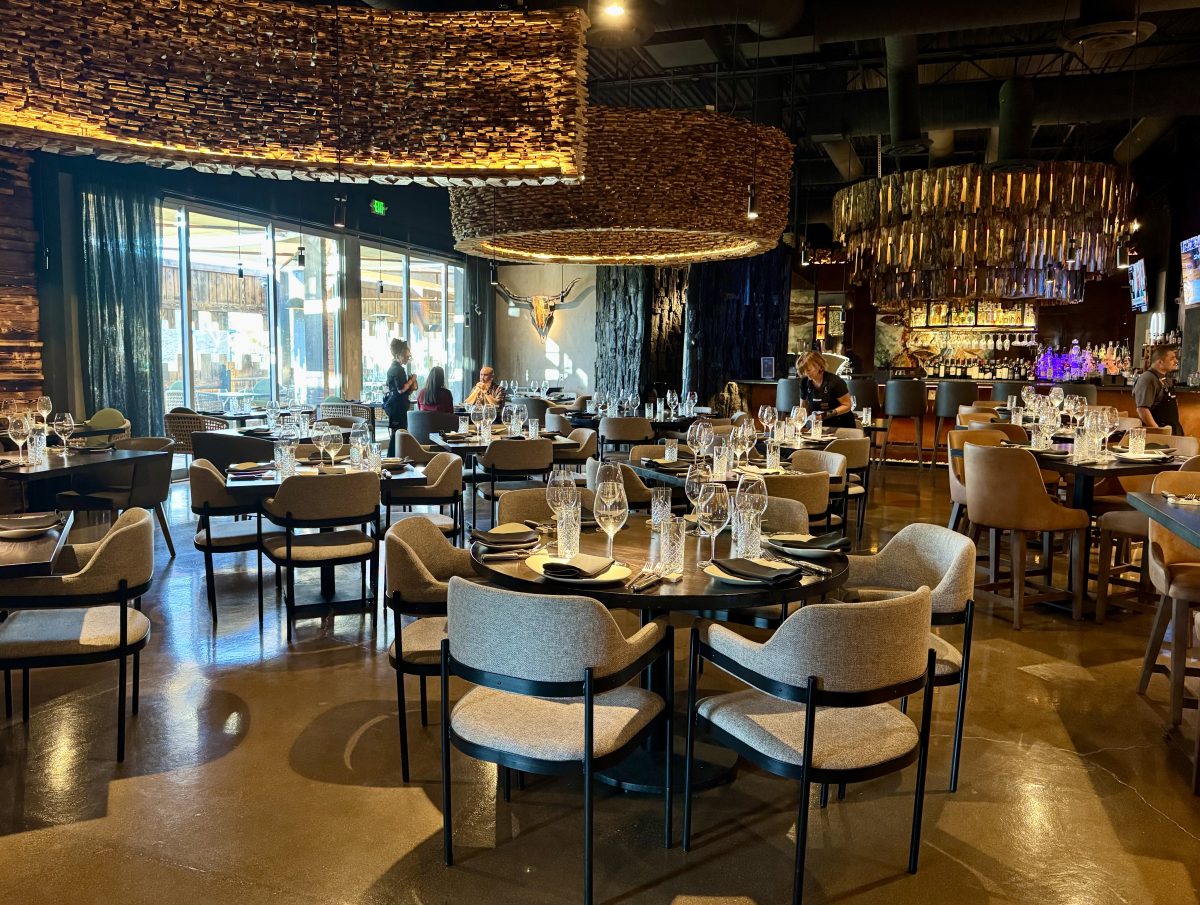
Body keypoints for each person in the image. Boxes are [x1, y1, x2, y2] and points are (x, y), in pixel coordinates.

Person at [797, 349, 856, 429]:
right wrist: (800, 423)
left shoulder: (835, 381)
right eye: (803, 370)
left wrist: (825, 415)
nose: (806, 373)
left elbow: (847, 405)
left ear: (819, 366)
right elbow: (803, 407)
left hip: (841, 426)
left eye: (808, 370)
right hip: (818, 426)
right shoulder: (804, 382)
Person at [1134, 345, 1183, 435]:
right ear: (1160, 362)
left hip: (1172, 431)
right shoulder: (1148, 379)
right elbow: (1142, 410)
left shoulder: (1165, 378)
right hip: (1158, 436)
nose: (1176, 361)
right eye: (1172, 358)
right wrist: (1159, 431)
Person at [383, 338, 417, 449]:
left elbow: (392, 388)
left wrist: (410, 386)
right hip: (398, 407)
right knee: (398, 435)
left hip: (394, 406)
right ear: (398, 356)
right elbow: (401, 389)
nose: (407, 359)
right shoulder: (398, 369)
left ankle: (395, 456)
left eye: (408, 357)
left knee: (397, 434)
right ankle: (396, 456)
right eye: (405, 357)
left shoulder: (392, 368)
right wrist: (412, 380)